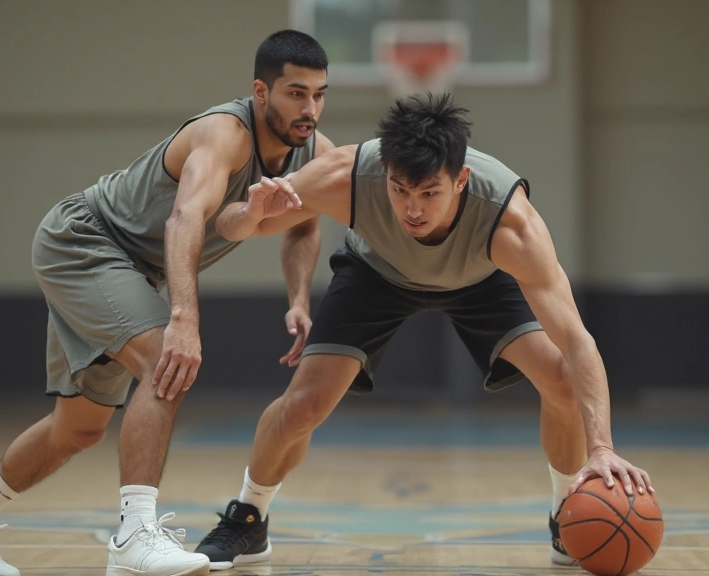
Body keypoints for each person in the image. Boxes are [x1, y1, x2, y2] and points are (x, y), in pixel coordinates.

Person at [0, 30, 334, 576]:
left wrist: (298, 299)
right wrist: (183, 317)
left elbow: (303, 228)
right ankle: (135, 534)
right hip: (85, 241)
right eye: (295, 93)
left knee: (79, 429)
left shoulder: (313, 152)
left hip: (133, 271)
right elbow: (185, 217)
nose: (310, 108)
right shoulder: (224, 134)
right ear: (261, 91)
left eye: (320, 94)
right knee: (168, 359)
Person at [193, 93, 654, 570]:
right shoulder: (346, 176)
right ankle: (248, 517)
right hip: (377, 272)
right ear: (385, 172)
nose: (412, 209)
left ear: (461, 179)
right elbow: (232, 225)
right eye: (399, 190)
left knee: (560, 380)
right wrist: (248, 213)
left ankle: (566, 511)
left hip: (482, 277)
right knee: (303, 406)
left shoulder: (510, 222)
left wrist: (602, 448)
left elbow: (578, 341)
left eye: (429, 193)